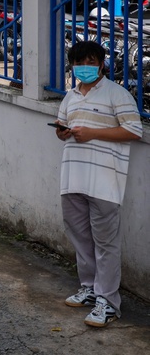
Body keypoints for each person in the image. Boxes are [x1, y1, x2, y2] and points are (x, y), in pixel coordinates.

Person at [55, 41, 142, 328]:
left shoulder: (118, 94)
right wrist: (62, 132)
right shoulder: (70, 96)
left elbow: (133, 130)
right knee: (80, 237)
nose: (85, 68)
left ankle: (108, 301)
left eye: (90, 62)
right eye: (79, 63)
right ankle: (90, 288)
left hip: (105, 181)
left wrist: (92, 133)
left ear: (101, 64)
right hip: (73, 177)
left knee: (106, 243)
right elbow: (62, 127)